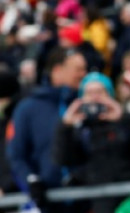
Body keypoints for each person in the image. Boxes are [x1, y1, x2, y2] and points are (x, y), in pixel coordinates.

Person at [55, 72, 130, 213]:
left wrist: (123, 117)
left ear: (110, 95)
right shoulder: (81, 130)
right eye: (89, 93)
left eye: (100, 92)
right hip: (101, 201)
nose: (94, 97)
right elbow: (63, 159)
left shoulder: (125, 119)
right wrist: (65, 127)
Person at [7, 47, 87, 212]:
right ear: (57, 71)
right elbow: (16, 155)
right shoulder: (28, 109)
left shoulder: (88, 105)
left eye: (84, 69)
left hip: (88, 201)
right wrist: (30, 180)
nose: (83, 74)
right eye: (78, 69)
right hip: (47, 203)